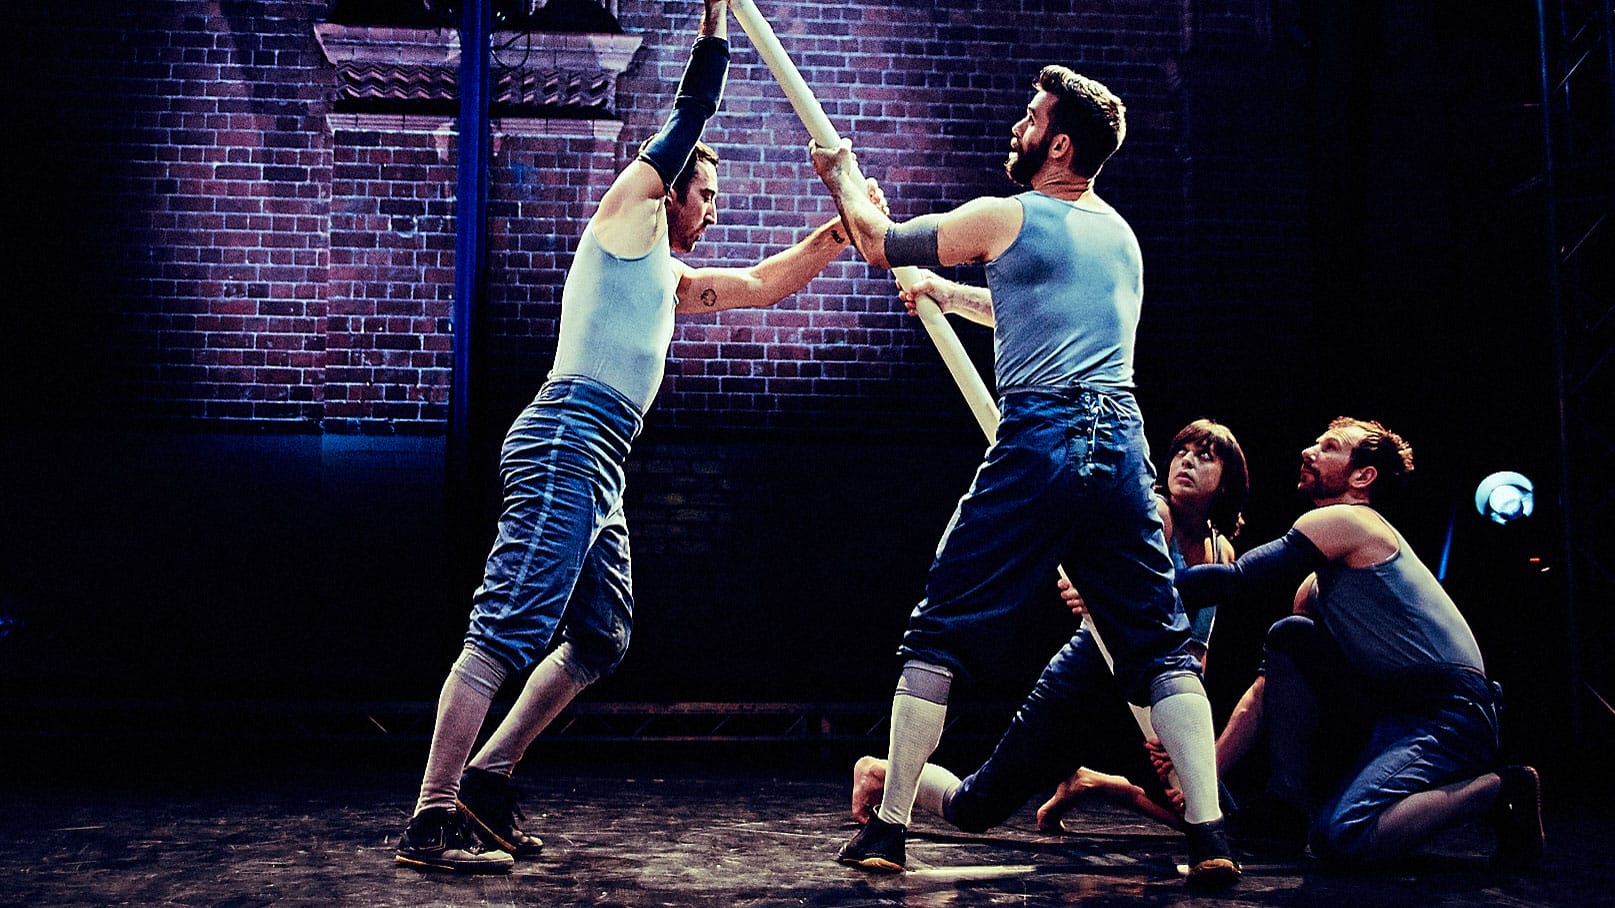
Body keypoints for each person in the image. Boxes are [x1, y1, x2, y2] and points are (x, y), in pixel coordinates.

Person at [394, 0, 883, 873]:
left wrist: (845, 228)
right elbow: (687, 118)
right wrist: (713, 28)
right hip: (566, 434)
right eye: (709, 193)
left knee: (602, 637)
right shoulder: (626, 219)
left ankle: (490, 778)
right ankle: (432, 814)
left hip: (604, 455)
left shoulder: (669, 277)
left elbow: (766, 285)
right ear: (673, 186)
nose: (715, 211)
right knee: (507, 624)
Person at [810, 67, 1239, 888]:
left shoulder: (1002, 215)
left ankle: (888, 832)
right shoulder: (1117, 236)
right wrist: (944, 290)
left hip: (1042, 435)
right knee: (1156, 644)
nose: (1017, 127)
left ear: (1060, 143)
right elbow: (1026, 305)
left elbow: (872, 241)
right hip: (1119, 442)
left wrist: (840, 177)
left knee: (941, 630)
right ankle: (1209, 836)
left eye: (1030, 118)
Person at [1173, 417, 1544, 868]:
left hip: (1452, 713)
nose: (1309, 451)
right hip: (1392, 712)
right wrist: (1202, 776)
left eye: (1328, 447)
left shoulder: (1350, 521)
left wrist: (1124, 577)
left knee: (1343, 839)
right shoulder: (1314, 588)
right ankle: (1285, 806)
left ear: (1362, 476)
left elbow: (1234, 580)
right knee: (1291, 636)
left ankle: (1505, 787)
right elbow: (1268, 690)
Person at [849, 420, 1249, 836]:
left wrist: (1174, 736)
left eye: (1205, 456)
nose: (1187, 462)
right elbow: (1088, 549)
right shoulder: (1153, 516)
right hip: (1083, 683)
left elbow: (1194, 655)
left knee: (1214, 817)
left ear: (1226, 483)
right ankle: (880, 772)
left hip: (1147, 699)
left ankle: (1098, 785)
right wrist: (1090, 587)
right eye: (1182, 452)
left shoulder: (1220, 551)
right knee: (976, 808)